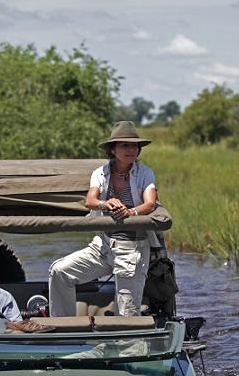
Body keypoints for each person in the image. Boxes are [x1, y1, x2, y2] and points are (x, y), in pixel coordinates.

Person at [48, 121, 160, 317]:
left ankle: (128, 346)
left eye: (134, 146)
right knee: (60, 272)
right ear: (112, 149)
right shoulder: (100, 173)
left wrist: (130, 212)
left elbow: (150, 204)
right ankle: (62, 329)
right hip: (103, 245)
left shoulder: (145, 173)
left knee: (127, 315)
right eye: (125, 145)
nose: (131, 150)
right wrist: (105, 204)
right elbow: (90, 201)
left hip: (132, 250)